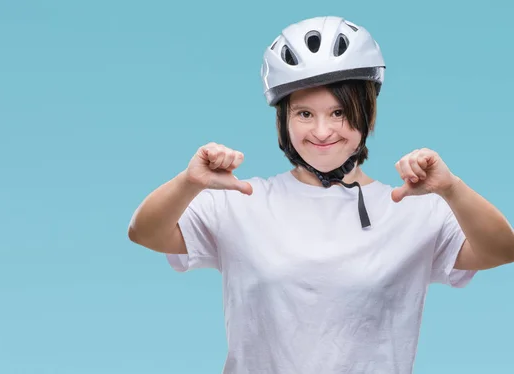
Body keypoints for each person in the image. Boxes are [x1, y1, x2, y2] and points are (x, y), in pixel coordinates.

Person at [127, 15, 514, 374]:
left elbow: (502, 250)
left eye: (339, 113)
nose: (323, 131)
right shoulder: (241, 199)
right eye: (304, 114)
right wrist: (189, 182)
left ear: (366, 113)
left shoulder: (410, 209)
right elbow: (145, 233)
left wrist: (451, 189)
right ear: (284, 119)